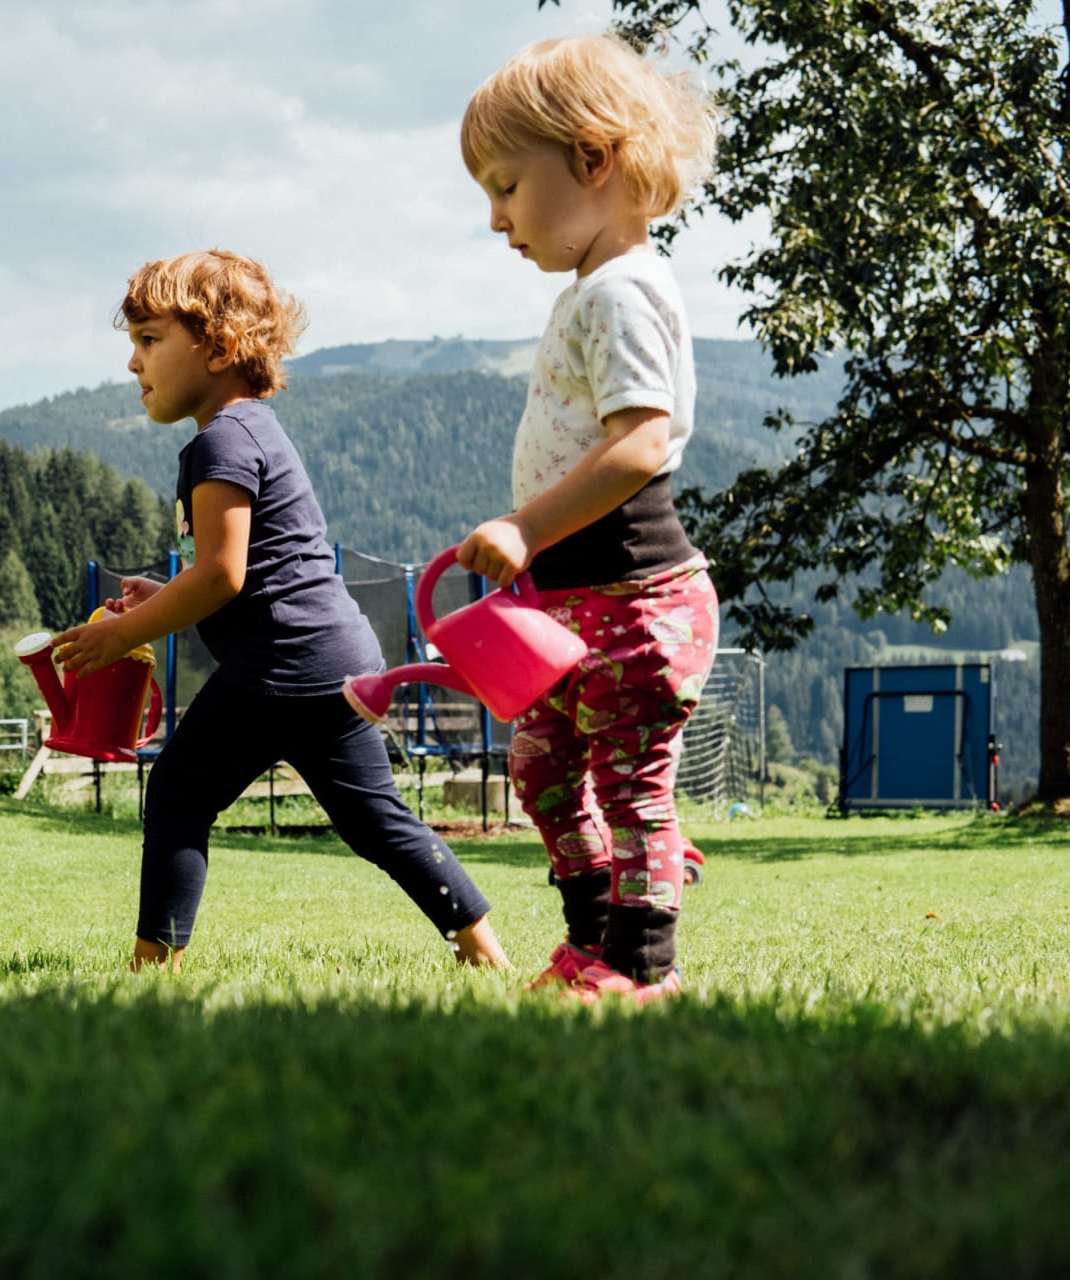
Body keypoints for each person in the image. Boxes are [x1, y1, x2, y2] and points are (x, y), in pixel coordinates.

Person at [52, 249, 507, 974]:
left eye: (149, 340)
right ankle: (483, 951)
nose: (133, 363)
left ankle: (152, 967)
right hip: (332, 657)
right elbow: (238, 569)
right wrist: (158, 596)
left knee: (178, 791)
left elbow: (219, 577)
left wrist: (122, 636)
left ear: (219, 347)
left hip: (282, 663)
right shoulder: (252, 430)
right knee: (375, 820)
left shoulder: (221, 441)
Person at [456, 34, 720, 1002]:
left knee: (630, 783)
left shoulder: (623, 291)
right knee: (540, 765)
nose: (496, 218)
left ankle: (641, 964)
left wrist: (526, 527)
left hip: (635, 598)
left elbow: (642, 442)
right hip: (576, 602)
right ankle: (592, 937)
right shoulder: (595, 290)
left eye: (507, 186)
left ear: (594, 158)